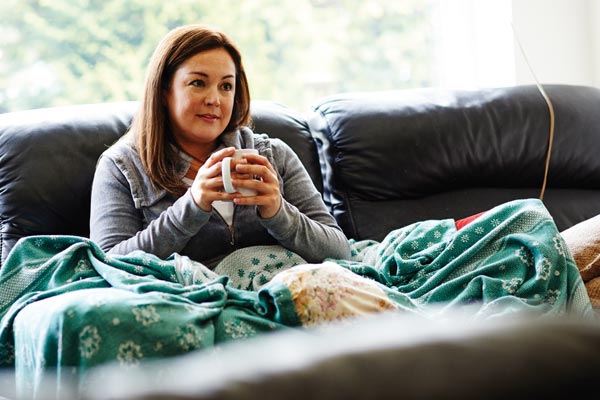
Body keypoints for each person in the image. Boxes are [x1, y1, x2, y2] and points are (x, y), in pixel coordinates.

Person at [90, 24, 351, 268]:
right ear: (163, 91)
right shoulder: (122, 167)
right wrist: (191, 206)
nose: (215, 99)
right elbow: (108, 263)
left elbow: (340, 251)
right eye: (198, 83)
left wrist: (278, 212)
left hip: (280, 293)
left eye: (226, 86)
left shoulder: (274, 155)